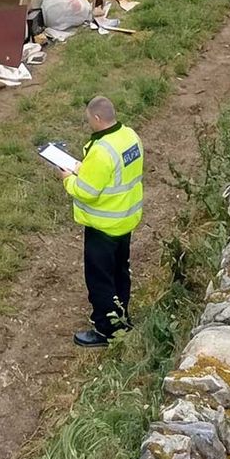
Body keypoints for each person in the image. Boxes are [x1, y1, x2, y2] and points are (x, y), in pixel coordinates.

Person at [62, 95, 143, 346]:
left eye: (89, 120)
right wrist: (82, 167)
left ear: (97, 118)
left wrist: (67, 178)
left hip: (103, 227)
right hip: (125, 220)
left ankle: (105, 331)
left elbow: (86, 191)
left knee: (100, 279)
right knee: (121, 273)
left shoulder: (101, 151)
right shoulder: (130, 137)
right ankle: (122, 318)